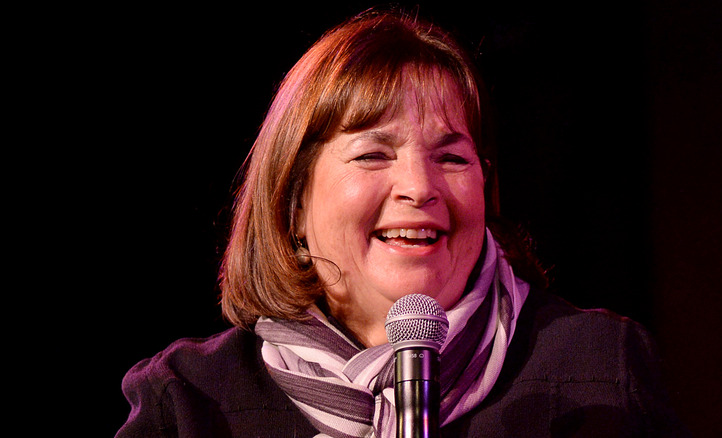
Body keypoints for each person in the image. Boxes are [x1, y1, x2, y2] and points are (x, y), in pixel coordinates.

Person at [117, 8, 687, 437]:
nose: (420, 187)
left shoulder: (598, 367)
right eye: (373, 154)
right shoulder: (190, 401)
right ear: (292, 199)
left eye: (452, 158)